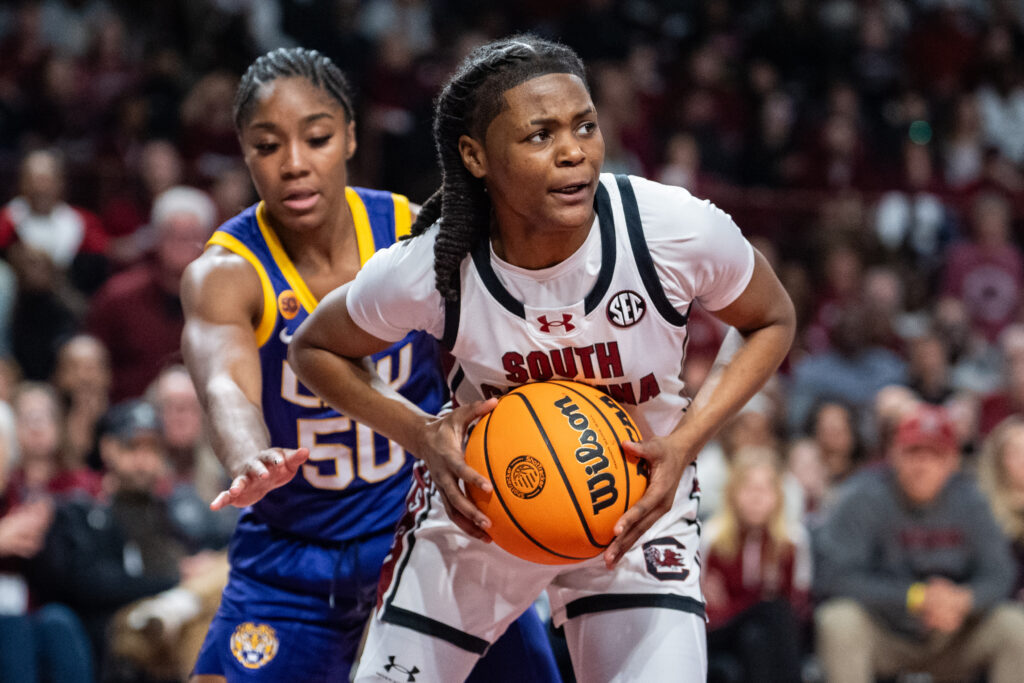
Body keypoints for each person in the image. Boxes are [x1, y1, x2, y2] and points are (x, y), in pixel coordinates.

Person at [289, 35, 795, 682]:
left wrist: (687, 441)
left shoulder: (672, 228)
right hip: (483, 508)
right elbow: (316, 347)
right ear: (475, 156)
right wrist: (419, 432)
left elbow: (771, 319)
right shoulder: (433, 266)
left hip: (636, 508)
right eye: (539, 135)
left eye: (585, 125)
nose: (573, 151)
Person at [181, 47, 559, 682]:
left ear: (351, 136)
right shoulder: (224, 272)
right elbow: (222, 380)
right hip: (293, 556)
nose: (295, 164)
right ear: (245, 155)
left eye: (318, 138)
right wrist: (249, 456)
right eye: (268, 146)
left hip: (422, 532)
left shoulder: (411, 231)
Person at [814, 402, 1024, 683]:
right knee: (838, 620)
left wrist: (964, 600)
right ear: (893, 454)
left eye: (934, 454)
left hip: (953, 635)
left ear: (952, 461)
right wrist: (916, 597)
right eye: (913, 452)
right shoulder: (862, 497)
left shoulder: (971, 501)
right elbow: (835, 577)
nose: (922, 465)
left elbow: (1000, 573)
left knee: (1013, 626)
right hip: (884, 632)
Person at [87, 185, 218, 402]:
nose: (181, 243)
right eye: (172, 234)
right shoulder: (118, 297)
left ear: (208, 241)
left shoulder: (228, 301)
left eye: (190, 235)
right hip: (130, 421)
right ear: (156, 238)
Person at [701, 447, 810, 683]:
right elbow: (710, 612)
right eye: (748, 488)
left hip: (763, 636)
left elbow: (798, 607)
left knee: (757, 635)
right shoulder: (712, 536)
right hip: (719, 634)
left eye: (765, 489)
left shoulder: (792, 542)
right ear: (733, 493)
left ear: (778, 496)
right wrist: (758, 603)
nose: (757, 497)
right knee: (772, 610)